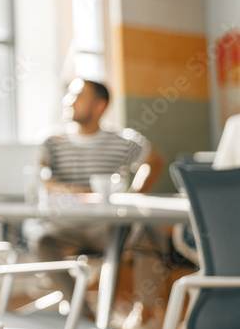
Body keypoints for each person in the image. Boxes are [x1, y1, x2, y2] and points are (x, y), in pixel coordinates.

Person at [29, 78, 164, 312]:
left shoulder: (122, 141)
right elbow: (38, 176)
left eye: (78, 96)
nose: (68, 101)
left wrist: (134, 194)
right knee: (43, 242)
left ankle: (147, 314)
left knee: (149, 229)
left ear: (99, 106)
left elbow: (154, 161)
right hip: (66, 224)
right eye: (69, 95)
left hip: (106, 225)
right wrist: (68, 190)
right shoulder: (51, 141)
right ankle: (83, 314)